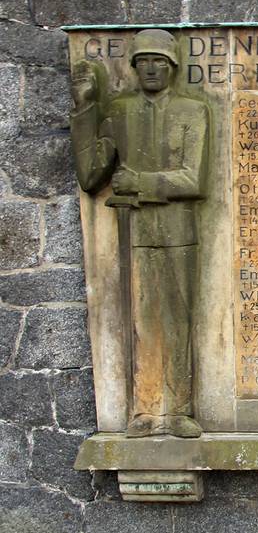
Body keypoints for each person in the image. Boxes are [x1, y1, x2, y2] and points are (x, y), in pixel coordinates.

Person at [71, 28, 209, 438]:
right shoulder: (119, 110)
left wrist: (141, 183)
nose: (150, 68)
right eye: (143, 61)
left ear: (172, 67)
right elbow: (90, 175)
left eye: (159, 61)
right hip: (134, 229)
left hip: (178, 229)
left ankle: (180, 409)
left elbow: (193, 178)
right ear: (133, 67)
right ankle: (145, 410)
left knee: (178, 319)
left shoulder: (192, 110)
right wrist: (84, 110)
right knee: (140, 321)